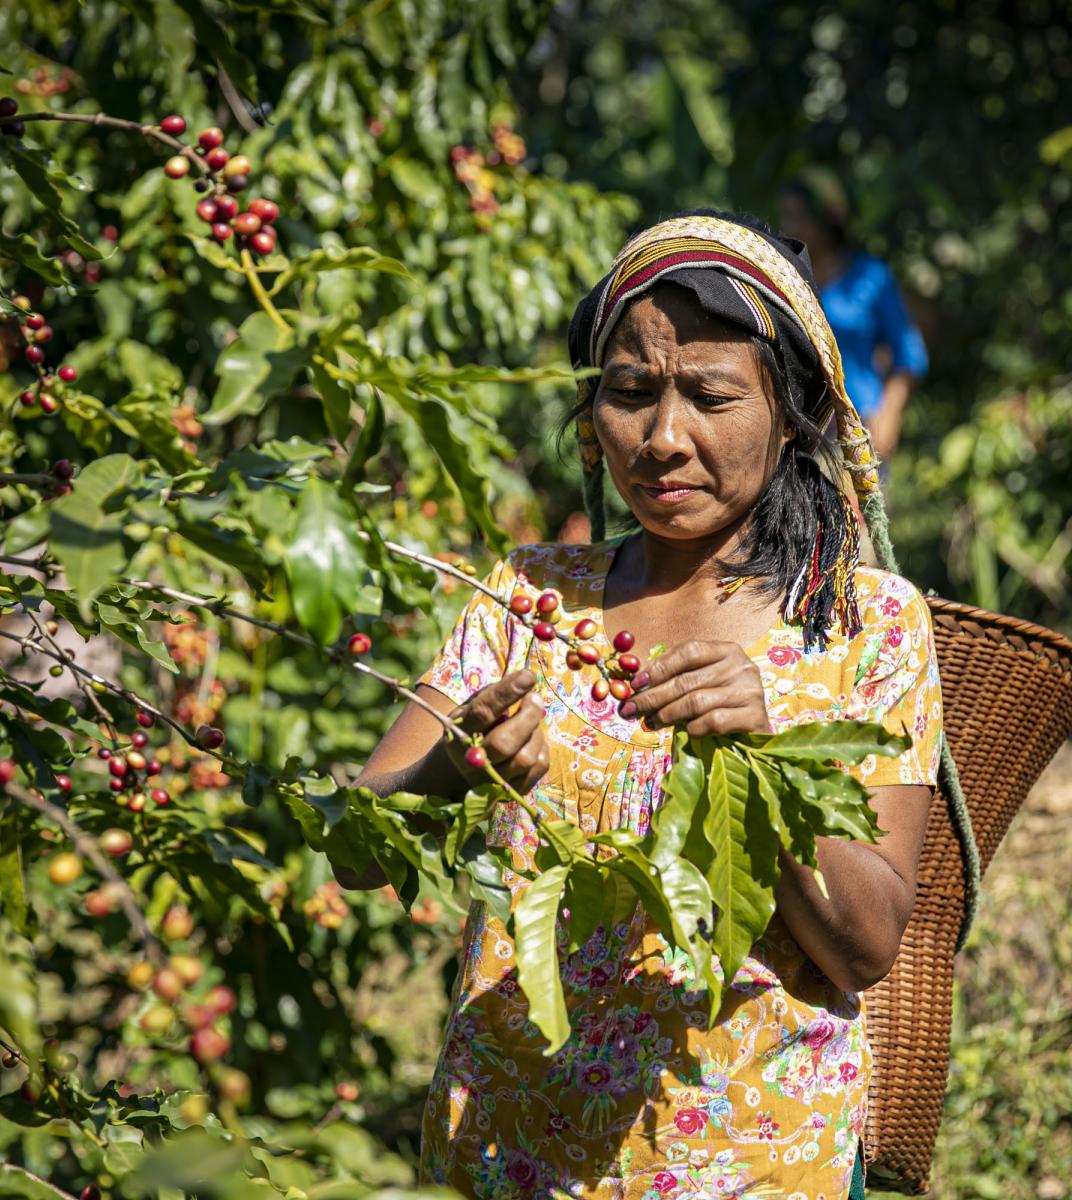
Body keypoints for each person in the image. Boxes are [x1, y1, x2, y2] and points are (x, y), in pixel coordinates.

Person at [343, 212, 943, 1200]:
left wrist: (768, 757)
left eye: (710, 395)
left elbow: (867, 942)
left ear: (790, 412)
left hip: (751, 1162)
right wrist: (453, 765)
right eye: (630, 394)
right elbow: (355, 846)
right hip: (510, 1152)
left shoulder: (862, 624)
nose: (664, 438)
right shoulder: (530, 600)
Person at [778, 169, 929, 465]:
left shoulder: (869, 278)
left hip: (858, 430)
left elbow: (909, 353)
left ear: (825, 220)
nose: (788, 227)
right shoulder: (785, 280)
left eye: (798, 217)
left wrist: (890, 414)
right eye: (785, 216)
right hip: (797, 432)